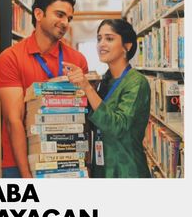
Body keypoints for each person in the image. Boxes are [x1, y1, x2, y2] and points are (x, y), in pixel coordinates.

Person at [0, 0, 88, 178]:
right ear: (38, 14)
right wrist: (26, 175)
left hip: (68, 161)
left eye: (69, 18)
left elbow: (82, 116)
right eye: (60, 15)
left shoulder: (77, 60)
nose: (65, 23)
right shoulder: (10, 58)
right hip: (20, 163)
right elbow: (14, 120)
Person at [63, 19, 151, 178]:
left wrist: (87, 88)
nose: (101, 44)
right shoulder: (105, 80)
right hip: (102, 166)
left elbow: (118, 126)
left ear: (127, 46)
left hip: (126, 170)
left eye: (109, 38)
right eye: (99, 39)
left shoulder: (137, 82)